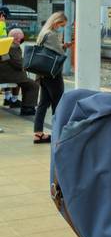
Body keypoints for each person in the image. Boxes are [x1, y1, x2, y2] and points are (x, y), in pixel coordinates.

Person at [33, 12, 71, 144]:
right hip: (52, 74)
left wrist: (62, 46)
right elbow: (59, 53)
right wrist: (64, 47)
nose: (61, 27)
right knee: (58, 103)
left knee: (43, 103)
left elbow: (51, 50)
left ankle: (38, 134)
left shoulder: (44, 33)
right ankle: (58, 133)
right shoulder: (52, 34)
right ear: (56, 22)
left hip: (42, 73)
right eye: (62, 24)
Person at [0, 28, 39, 118]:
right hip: (8, 75)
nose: (20, 40)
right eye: (20, 38)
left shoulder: (4, 44)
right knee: (33, 85)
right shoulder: (12, 47)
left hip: (5, 74)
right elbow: (18, 64)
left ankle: (14, 101)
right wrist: (28, 65)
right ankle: (28, 108)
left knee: (27, 83)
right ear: (15, 38)